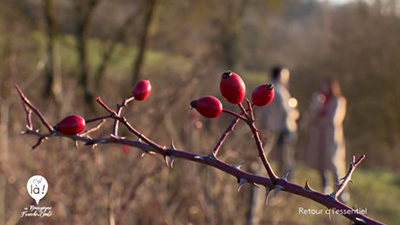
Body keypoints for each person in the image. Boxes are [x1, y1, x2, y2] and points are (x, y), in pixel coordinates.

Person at [306, 78, 347, 197]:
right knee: (321, 163)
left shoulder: (338, 101)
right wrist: (317, 106)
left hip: (331, 137)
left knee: (334, 164)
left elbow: (333, 119)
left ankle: (342, 191)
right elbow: (311, 117)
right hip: (319, 137)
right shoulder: (319, 100)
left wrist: (320, 117)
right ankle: (326, 188)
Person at [259, 66, 299, 175]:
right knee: (286, 158)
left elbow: (264, 111)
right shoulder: (280, 91)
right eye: (285, 75)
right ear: (279, 76)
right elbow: (286, 111)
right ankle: (287, 184)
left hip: (271, 128)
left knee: (269, 157)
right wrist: (295, 114)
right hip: (284, 129)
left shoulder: (265, 89)